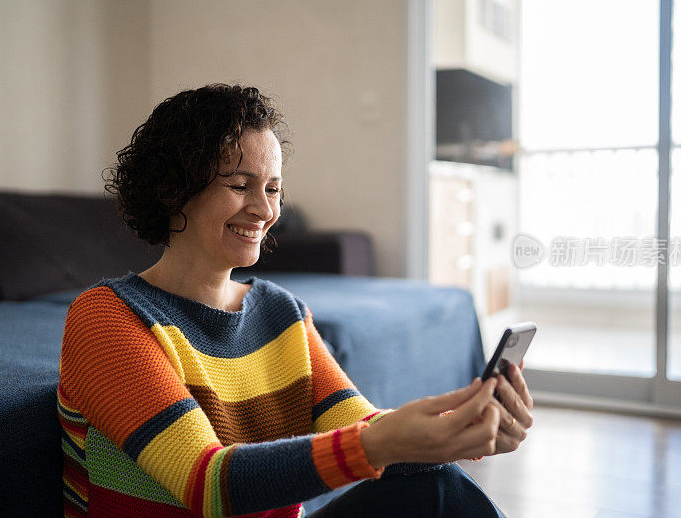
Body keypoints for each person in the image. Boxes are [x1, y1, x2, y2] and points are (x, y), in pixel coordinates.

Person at [56, 83, 534, 518]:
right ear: (173, 189)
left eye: (273, 189)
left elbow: (359, 424)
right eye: (240, 186)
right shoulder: (107, 319)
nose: (265, 211)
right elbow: (207, 484)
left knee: (437, 487)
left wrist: (465, 429)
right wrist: (380, 441)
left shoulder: (280, 313)